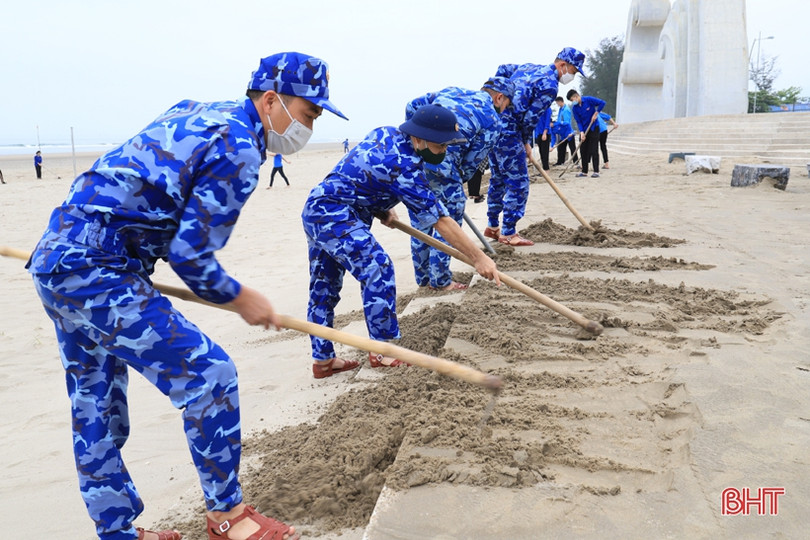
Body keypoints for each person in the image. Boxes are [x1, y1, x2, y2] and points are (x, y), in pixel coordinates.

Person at [26, 51, 347, 540]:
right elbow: (191, 256)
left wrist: (99, 247)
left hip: (58, 256)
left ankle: (117, 533)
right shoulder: (240, 146)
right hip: (98, 269)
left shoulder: (192, 109)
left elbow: (122, 179)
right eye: (309, 113)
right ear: (271, 101)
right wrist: (242, 298)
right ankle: (228, 517)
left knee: (96, 402)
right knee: (209, 375)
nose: (310, 125)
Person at [301, 104, 500, 377]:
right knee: (377, 267)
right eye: (440, 146)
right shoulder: (404, 165)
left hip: (318, 208)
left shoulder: (386, 133)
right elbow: (440, 221)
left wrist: (380, 206)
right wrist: (478, 258)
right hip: (336, 213)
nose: (443, 152)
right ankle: (382, 351)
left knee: (324, 287)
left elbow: (361, 172)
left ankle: (322, 361)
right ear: (419, 138)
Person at [404, 77, 513, 290]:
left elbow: (412, 106)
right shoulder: (492, 118)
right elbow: (473, 161)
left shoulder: (451, 90)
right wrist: (455, 181)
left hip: (418, 157)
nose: (506, 108)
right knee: (448, 222)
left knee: (422, 220)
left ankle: (424, 279)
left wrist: (415, 142)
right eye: (507, 104)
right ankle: (440, 281)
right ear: (499, 97)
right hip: (445, 163)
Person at [484, 47, 587, 246]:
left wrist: (500, 101)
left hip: (494, 127)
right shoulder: (549, 85)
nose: (572, 77)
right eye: (573, 72)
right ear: (562, 65)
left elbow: (503, 69)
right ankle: (509, 232)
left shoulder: (529, 67)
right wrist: (525, 142)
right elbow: (531, 117)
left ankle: (492, 225)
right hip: (511, 132)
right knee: (518, 183)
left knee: (498, 178)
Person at [567, 89, 605, 178]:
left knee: (594, 149)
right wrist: (582, 132)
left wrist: (596, 113)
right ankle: (584, 171)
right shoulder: (575, 108)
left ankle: (596, 171)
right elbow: (578, 121)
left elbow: (602, 103)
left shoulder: (588, 100)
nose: (573, 102)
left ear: (576, 96)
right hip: (584, 129)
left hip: (593, 127)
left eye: (572, 100)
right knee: (583, 150)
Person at [552, 96, 577, 166]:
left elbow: (567, 122)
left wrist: (558, 123)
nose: (557, 104)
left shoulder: (566, 110)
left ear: (560, 102)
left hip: (568, 131)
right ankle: (560, 161)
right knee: (561, 147)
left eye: (557, 103)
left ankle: (576, 161)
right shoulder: (561, 109)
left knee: (572, 147)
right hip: (562, 132)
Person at [533, 106, 552, 171]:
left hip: (545, 133)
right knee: (541, 152)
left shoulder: (548, 109)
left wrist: (545, 132)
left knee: (545, 152)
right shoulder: (539, 109)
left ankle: (546, 169)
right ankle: (544, 168)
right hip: (539, 132)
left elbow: (547, 121)